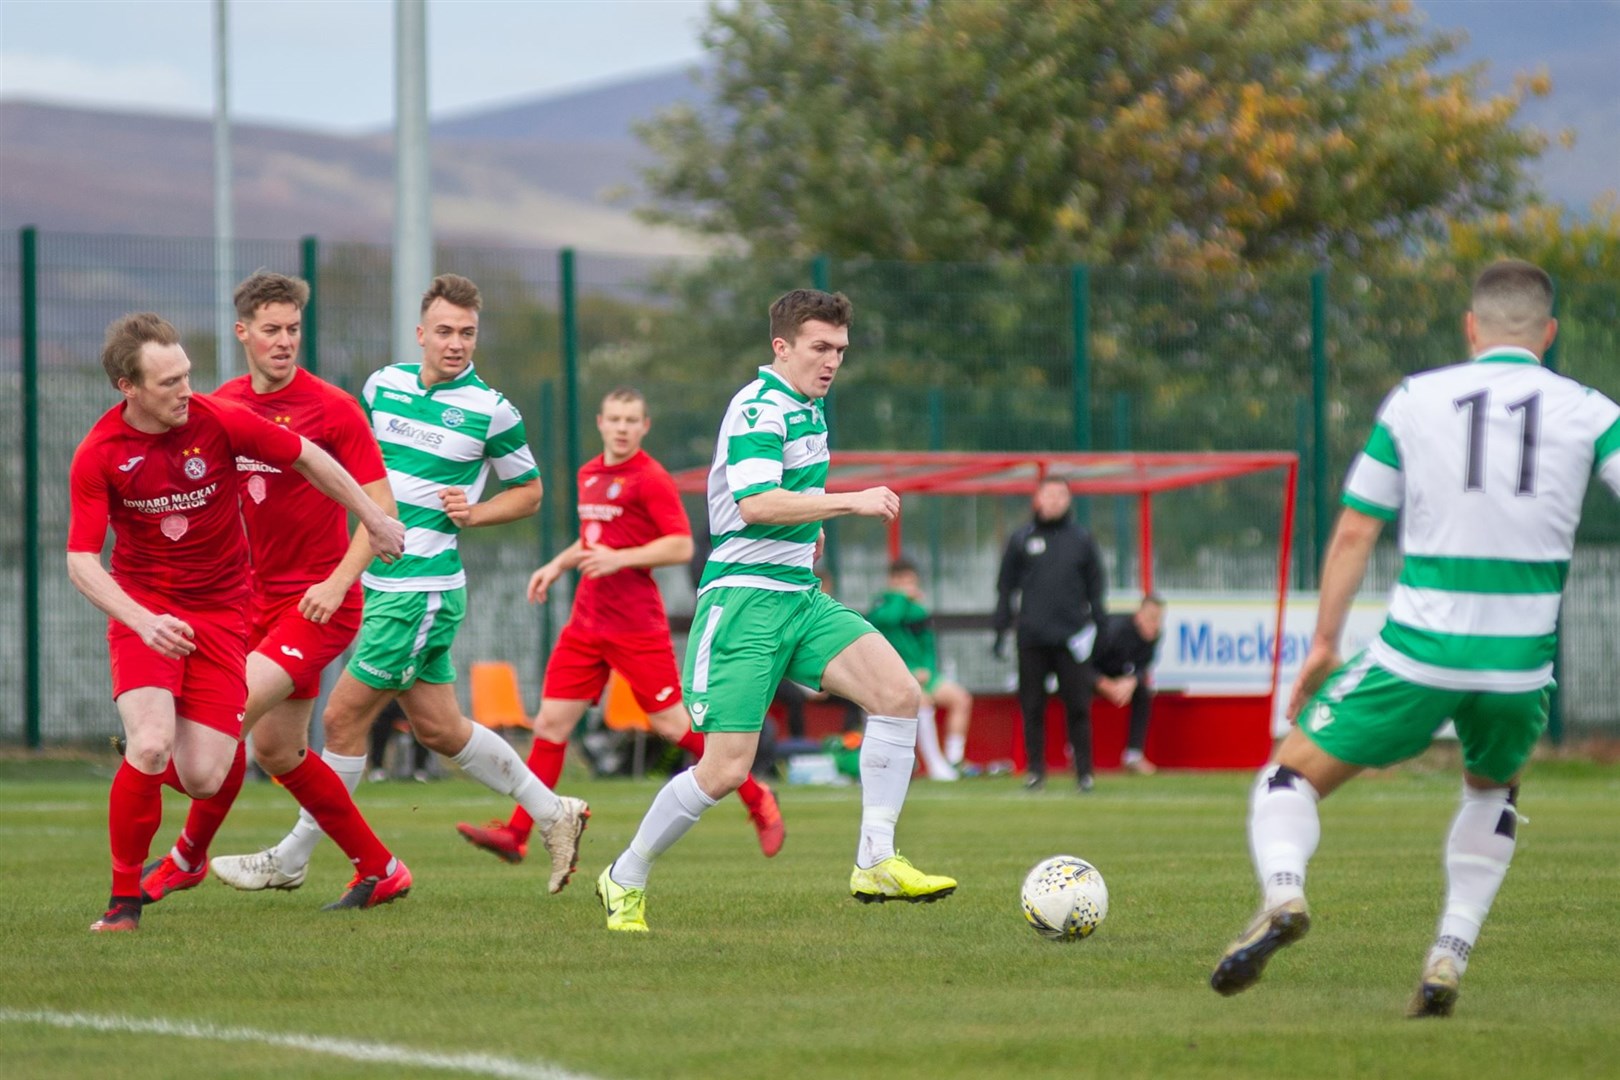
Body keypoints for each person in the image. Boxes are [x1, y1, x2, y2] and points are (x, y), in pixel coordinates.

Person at [1209, 259, 1619, 1018]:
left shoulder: (1416, 400)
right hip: (1521, 665)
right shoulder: (1592, 412)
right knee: (1493, 791)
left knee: (1288, 776)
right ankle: (1448, 954)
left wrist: (1325, 643)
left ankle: (1285, 893)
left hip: (1418, 653)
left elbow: (1358, 530)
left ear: (1471, 327)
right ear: (1549, 334)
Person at [212, 273, 591, 898]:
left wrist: (476, 512)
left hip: (423, 587)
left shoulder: (492, 409)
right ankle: (555, 813)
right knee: (441, 729)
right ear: (420, 333)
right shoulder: (381, 386)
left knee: (340, 719)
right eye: (444, 331)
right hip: (378, 582)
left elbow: (531, 494)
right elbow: (348, 469)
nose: (456, 343)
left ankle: (292, 857)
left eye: (468, 333)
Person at [593, 288, 957, 932]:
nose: (832, 361)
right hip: (743, 603)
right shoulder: (761, 407)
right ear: (781, 347)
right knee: (726, 768)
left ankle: (875, 856)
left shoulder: (809, 409)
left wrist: (808, 530)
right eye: (820, 348)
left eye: (840, 350)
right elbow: (757, 502)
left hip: (799, 596)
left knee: (899, 694)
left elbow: (776, 506)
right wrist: (847, 503)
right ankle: (625, 874)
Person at [67, 311, 406, 932]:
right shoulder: (100, 454)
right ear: (128, 387)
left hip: (246, 611)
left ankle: (202, 854)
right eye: (168, 382)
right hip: (155, 613)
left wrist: (372, 521)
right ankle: (125, 901)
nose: (184, 391)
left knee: (205, 774)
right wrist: (141, 620)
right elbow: (81, 561)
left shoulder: (236, 416)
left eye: (187, 375)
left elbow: (310, 458)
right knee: (164, 744)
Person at [455, 386, 786, 862]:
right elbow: (594, 537)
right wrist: (558, 563)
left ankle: (758, 800)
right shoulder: (589, 473)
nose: (623, 427)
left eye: (632, 420)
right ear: (601, 422)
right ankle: (518, 834)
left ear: (644, 426)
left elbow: (680, 547)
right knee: (550, 723)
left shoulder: (650, 478)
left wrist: (620, 559)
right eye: (615, 419)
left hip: (635, 625)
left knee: (673, 725)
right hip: (586, 625)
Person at [993, 476, 1108, 793]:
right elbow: (1006, 587)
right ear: (1037, 499)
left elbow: (1096, 588)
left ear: (1069, 500)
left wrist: (1100, 627)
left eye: (1061, 495)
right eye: (1049, 494)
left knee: (1078, 706)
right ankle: (1035, 772)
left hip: (1072, 639)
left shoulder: (1082, 539)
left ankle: (1084, 773)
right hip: (1032, 637)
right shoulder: (1021, 539)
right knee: (1032, 706)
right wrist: (1000, 630)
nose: (1055, 501)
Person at [869, 557, 974, 780]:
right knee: (922, 701)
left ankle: (954, 760)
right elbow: (888, 620)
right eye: (903, 581)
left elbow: (928, 645)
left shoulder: (918, 610)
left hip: (922, 674)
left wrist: (927, 669)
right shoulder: (882, 603)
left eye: (911, 581)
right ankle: (935, 764)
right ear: (892, 581)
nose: (909, 586)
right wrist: (900, 597)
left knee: (961, 699)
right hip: (893, 674)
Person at [1090, 594, 1166, 775]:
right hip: (1094, 675)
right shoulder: (1113, 630)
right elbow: (1083, 666)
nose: (1155, 624)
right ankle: (1076, 751)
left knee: (1143, 692)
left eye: (1158, 620)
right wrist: (1105, 684)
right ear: (1139, 616)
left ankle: (1133, 755)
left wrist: (1130, 682)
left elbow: (1142, 667)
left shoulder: (1154, 636)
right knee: (1076, 691)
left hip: (1121, 679)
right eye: (1151, 618)